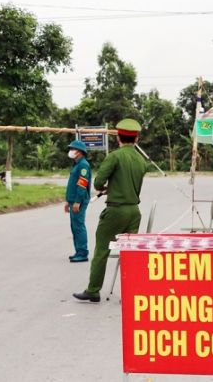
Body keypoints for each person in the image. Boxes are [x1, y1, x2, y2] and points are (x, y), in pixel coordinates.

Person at [73, 119, 148, 302]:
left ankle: (93, 290)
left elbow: (98, 183)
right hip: (134, 212)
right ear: (136, 139)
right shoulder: (141, 160)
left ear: (118, 138)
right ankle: (133, 290)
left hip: (115, 211)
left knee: (101, 250)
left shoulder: (114, 156)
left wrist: (108, 186)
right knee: (129, 253)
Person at [65, 139, 91, 262]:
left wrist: (77, 202)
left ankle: (82, 252)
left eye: (73, 149)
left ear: (79, 152)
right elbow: (72, 185)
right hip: (73, 200)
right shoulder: (77, 164)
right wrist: (68, 201)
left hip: (78, 201)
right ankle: (78, 251)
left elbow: (82, 185)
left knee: (79, 226)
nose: (71, 151)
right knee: (74, 226)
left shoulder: (83, 165)